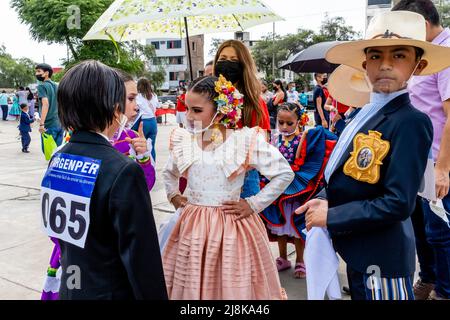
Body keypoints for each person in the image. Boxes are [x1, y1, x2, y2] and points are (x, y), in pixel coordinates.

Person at [297, 10, 450, 300]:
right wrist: (327, 198)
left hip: (383, 257)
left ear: (419, 65)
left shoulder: (410, 121)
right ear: (365, 65)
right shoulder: (365, 113)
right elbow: (351, 174)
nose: (386, 65)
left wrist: (332, 215)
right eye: (377, 56)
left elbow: (398, 202)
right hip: (357, 249)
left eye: (400, 56)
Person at [41, 60, 167, 300]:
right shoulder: (123, 171)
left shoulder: (57, 160)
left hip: (70, 288)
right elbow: (142, 261)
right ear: (113, 106)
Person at [162, 75, 294, 300]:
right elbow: (169, 172)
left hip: (231, 225)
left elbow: (284, 173)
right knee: (191, 282)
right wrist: (174, 195)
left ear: (221, 111)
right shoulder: (185, 140)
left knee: (231, 286)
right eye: (187, 109)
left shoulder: (242, 141)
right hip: (192, 227)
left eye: (196, 110)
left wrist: (253, 204)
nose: (189, 116)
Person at [392, 0, 450, 301]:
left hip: (440, 160)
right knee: (421, 228)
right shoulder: (422, 55)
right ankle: (427, 279)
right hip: (420, 160)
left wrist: (442, 168)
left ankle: (445, 291)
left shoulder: (446, 52)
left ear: (421, 23)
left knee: (440, 233)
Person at [260, 103, 336, 279]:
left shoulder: (305, 138)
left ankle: (300, 260)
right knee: (278, 225)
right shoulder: (273, 138)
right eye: (281, 122)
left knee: (295, 226)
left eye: (289, 123)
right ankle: (283, 258)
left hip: (296, 193)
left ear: (299, 122)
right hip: (277, 190)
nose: (285, 127)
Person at [213, 39, 270, 200]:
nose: (226, 64)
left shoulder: (255, 103)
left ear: (243, 65)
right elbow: (203, 138)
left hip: (244, 178)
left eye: (233, 61)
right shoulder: (208, 98)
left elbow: (262, 144)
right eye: (222, 59)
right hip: (211, 175)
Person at [35, 63, 64, 150]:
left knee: (48, 152)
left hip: (49, 124)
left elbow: (45, 104)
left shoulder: (41, 86)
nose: (36, 74)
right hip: (60, 124)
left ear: (46, 73)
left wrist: (41, 124)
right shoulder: (57, 85)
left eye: (38, 71)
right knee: (56, 152)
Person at [132, 77, 159, 161]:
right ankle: (152, 167)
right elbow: (157, 106)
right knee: (151, 146)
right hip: (153, 122)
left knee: (140, 147)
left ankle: (143, 167)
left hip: (143, 123)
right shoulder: (154, 95)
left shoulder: (138, 96)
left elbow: (135, 107)